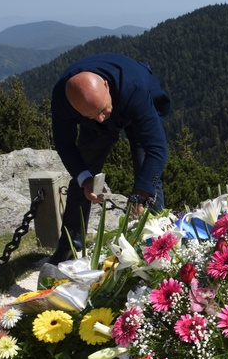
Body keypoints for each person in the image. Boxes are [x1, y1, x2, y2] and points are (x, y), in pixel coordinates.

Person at [47, 53, 172, 264]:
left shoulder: (134, 88)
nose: (102, 119)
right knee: (82, 179)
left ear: (105, 85)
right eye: (92, 114)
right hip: (98, 122)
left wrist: (140, 193)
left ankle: (159, 243)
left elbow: (157, 149)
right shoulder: (64, 98)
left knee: (148, 174)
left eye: (102, 111)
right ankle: (67, 247)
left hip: (134, 107)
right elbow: (65, 144)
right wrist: (85, 178)